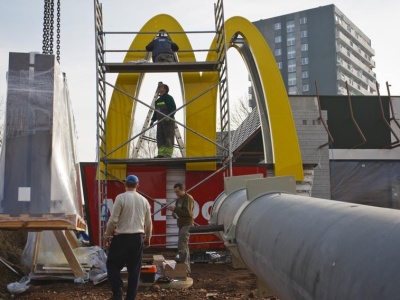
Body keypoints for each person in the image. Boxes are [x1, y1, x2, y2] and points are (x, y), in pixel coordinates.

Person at [104, 175, 153, 300]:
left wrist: (107, 236)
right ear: (138, 185)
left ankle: (117, 294)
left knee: (113, 265)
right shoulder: (144, 200)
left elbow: (113, 220)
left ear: (125, 184)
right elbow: (148, 222)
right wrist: (147, 238)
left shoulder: (120, 198)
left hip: (121, 237)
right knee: (134, 270)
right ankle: (130, 298)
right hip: (137, 238)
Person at [167, 183, 195, 274]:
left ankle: (183, 268)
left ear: (183, 190)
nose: (176, 194)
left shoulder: (188, 198)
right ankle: (186, 269)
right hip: (181, 224)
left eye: (178, 192)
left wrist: (175, 210)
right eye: (175, 192)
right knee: (184, 246)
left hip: (187, 224)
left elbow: (188, 213)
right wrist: (174, 214)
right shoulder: (179, 199)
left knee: (182, 245)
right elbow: (180, 212)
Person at [150, 83, 176, 158]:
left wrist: (170, 116)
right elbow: (156, 111)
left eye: (161, 87)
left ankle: (168, 154)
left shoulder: (168, 98)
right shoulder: (158, 101)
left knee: (168, 137)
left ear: (165, 89)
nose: (159, 88)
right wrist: (152, 120)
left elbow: (173, 107)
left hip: (168, 121)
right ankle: (161, 154)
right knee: (160, 137)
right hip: (160, 122)